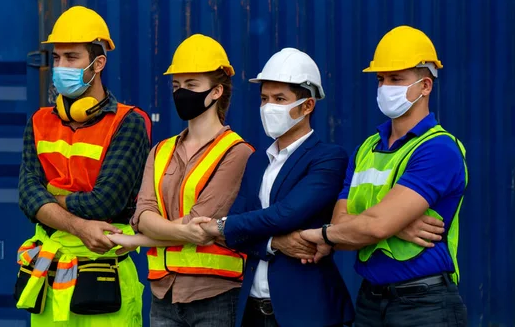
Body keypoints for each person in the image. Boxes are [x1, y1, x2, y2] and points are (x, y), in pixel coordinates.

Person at [301, 26, 468, 326]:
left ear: (425, 85)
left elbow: (366, 228)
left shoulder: (439, 149)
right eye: (381, 79)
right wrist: (393, 225)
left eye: (396, 79)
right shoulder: (367, 147)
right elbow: (344, 222)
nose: (385, 87)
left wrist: (333, 233)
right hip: (370, 302)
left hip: (425, 306)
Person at [14, 6, 151, 326]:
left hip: (104, 282)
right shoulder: (39, 122)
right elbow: (25, 196)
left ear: (98, 63)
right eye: (57, 58)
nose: (61, 66)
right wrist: (76, 224)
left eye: (72, 57)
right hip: (49, 282)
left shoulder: (128, 123)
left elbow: (105, 202)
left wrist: (49, 201)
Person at [200, 48, 355, 327]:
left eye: (280, 99)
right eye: (264, 99)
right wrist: (275, 243)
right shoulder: (257, 160)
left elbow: (286, 214)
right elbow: (235, 233)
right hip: (252, 310)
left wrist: (222, 226)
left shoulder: (328, 157)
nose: (268, 106)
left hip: (307, 312)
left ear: (307, 106)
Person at [109, 34, 254, 326]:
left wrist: (136, 239)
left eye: (191, 85)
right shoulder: (160, 151)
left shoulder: (236, 152)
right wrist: (151, 229)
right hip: (164, 294)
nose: (180, 93)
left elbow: (202, 223)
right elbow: (143, 215)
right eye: (176, 85)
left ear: (216, 92)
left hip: (214, 294)